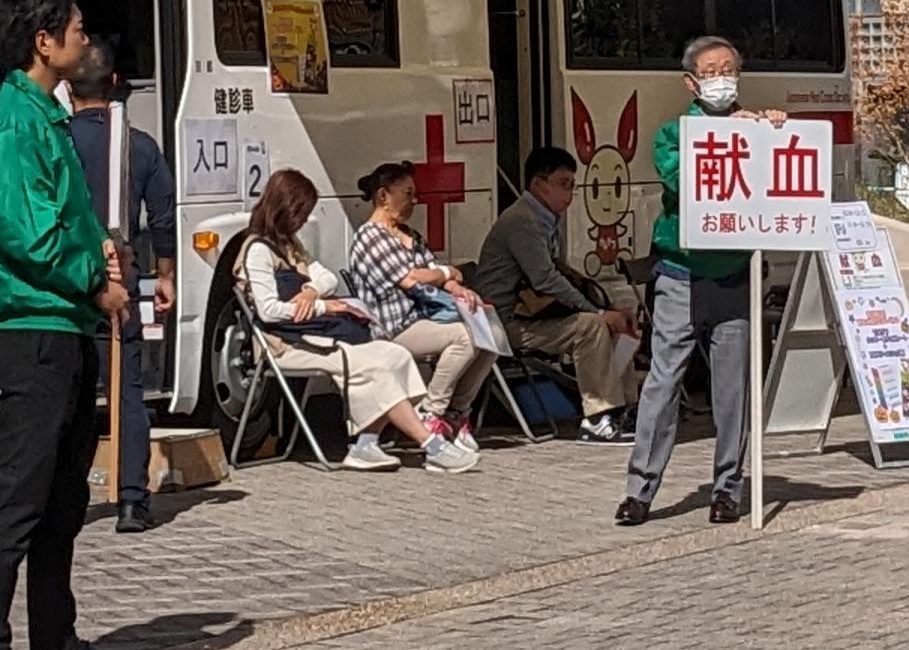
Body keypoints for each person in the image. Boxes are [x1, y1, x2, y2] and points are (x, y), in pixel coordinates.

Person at [0, 0, 128, 650]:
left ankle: (54, 641)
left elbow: (65, 219)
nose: (85, 37)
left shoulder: (46, 117)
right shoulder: (13, 123)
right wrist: (94, 278)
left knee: (62, 497)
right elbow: (27, 232)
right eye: (76, 27)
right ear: (43, 40)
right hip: (33, 328)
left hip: (65, 325)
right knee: (18, 497)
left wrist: (104, 251)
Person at [619, 34, 759, 528]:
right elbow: (685, 180)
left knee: (731, 390)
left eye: (728, 69)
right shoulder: (672, 134)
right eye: (711, 71)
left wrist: (769, 128)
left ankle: (728, 488)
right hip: (680, 275)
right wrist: (732, 138)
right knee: (662, 382)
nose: (722, 79)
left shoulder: (757, 128)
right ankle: (640, 490)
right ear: (691, 81)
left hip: (734, 276)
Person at [229, 167, 451, 469]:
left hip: (312, 333)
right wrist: (324, 307)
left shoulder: (289, 244)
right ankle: (430, 443)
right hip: (285, 343)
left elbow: (327, 277)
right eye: (302, 212)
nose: (305, 220)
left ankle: (366, 443)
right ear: (286, 208)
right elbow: (269, 310)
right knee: (370, 362)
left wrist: (310, 291)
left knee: (395, 354)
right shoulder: (257, 250)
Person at [62, 42, 179, 531]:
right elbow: (165, 213)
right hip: (122, 271)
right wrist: (166, 274)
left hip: (66, 274)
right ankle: (132, 498)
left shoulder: (57, 140)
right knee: (126, 389)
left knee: (71, 392)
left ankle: (68, 498)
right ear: (114, 85)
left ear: (69, 88)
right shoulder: (138, 144)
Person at [464, 146, 641, 437]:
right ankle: (597, 416)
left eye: (572, 185)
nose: (569, 194)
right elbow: (545, 279)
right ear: (538, 184)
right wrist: (596, 311)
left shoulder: (546, 220)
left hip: (534, 313)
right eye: (562, 185)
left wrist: (609, 308)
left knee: (619, 322)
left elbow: (562, 274)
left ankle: (626, 409)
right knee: (591, 326)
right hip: (506, 321)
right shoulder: (522, 222)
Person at [341, 162, 487, 458]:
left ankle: (456, 414)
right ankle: (431, 411)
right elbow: (411, 279)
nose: (414, 201)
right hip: (393, 327)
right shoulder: (370, 238)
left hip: (424, 317)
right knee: (465, 336)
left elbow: (433, 273)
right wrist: (445, 273)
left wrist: (456, 285)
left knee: (489, 334)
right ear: (384, 196)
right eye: (407, 193)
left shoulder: (410, 235)